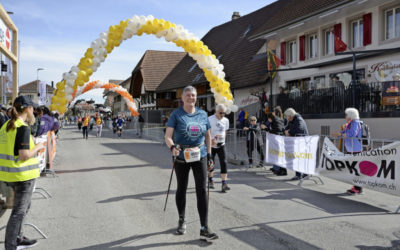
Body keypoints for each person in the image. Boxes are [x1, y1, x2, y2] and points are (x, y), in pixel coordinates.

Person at [164, 85, 218, 241]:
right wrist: (173, 147)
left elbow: (208, 137)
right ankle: (181, 219)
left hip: (199, 155)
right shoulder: (177, 114)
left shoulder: (202, 114)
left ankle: (204, 227)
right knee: (182, 187)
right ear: (182, 98)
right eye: (188, 95)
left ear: (196, 97)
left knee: (201, 189)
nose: (191, 98)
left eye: (193, 95)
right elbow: (168, 136)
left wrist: (209, 156)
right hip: (181, 155)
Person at [0, 96, 45, 250]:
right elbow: (24, 155)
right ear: (27, 109)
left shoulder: (6, 125)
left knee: (24, 207)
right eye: (32, 108)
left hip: (9, 175)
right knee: (18, 212)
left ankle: (19, 237)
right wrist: (38, 147)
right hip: (22, 175)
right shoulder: (23, 127)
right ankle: (11, 245)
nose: (34, 111)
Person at [333, 108, 363, 195]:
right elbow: (344, 132)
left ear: (350, 116)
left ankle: (358, 188)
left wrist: (340, 134)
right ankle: (356, 187)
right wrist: (339, 133)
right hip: (351, 149)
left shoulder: (356, 123)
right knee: (353, 168)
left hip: (356, 149)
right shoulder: (350, 124)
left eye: (346, 115)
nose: (345, 116)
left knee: (355, 168)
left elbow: (352, 134)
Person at [208, 104, 230, 192]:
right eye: (221, 113)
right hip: (212, 145)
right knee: (211, 163)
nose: (222, 115)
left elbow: (225, 131)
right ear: (216, 111)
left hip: (221, 145)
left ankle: (224, 183)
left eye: (224, 113)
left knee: (224, 162)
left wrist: (223, 139)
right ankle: (210, 180)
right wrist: (211, 140)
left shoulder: (226, 120)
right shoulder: (210, 119)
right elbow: (207, 133)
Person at [284, 108, 309, 180]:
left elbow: (299, 130)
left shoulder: (298, 120)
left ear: (290, 116)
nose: (286, 118)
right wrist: (286, 130)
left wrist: (289, 132)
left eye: (287, 116)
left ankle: (301, 175)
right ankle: (302, 174)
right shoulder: (291, 120)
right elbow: (286, 128)